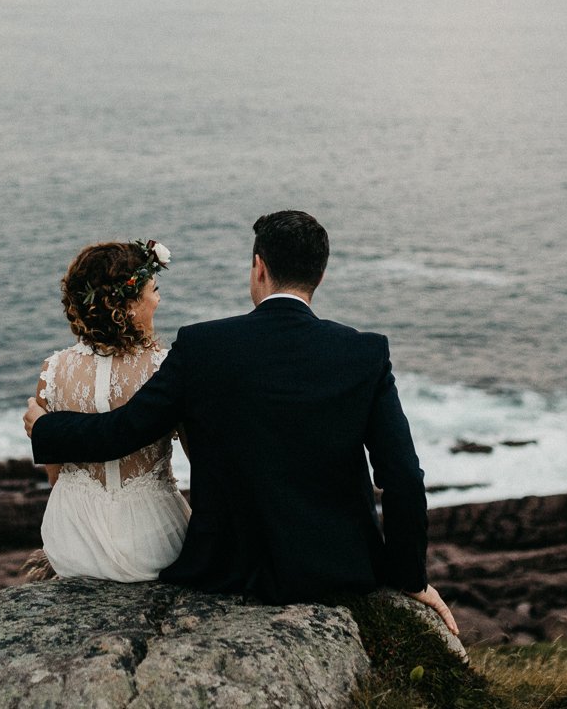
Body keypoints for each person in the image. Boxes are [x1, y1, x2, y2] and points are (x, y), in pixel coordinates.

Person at [24, 211, 456, 633]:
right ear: (319, 277)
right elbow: (402, 477)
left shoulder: (202, 346)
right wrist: (409, 578)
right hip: (337, 567)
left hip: (228, 568)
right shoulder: (365, 353)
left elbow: (123, 431)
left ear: (258, 267)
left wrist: (45, 427)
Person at [33, 238, 190, 581]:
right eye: (154, 289)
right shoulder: (167, 370)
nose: (158, 299)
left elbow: (54, 474)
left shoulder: (53, 371)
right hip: (154, 539)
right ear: (129, 306)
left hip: (71, 537)